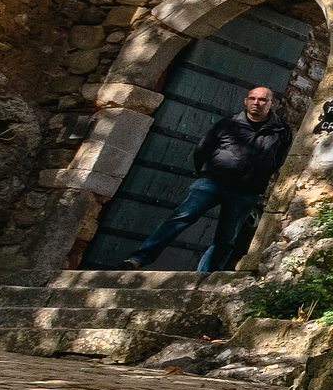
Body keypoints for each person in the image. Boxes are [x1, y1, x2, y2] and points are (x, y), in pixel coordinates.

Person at [120, 85, 292, 273]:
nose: (256, 103)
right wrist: (207, 174)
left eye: (262, 100)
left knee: (226, 238)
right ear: (246, 101)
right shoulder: (228, 123)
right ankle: (137, 259)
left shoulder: (281, 130)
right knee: (179, 219)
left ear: (271, 103)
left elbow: (277, 160)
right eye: (252, 99)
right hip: (212, 183)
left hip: (245, 191)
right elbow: (203, 149)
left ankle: (207, 276)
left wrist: (257, 177)